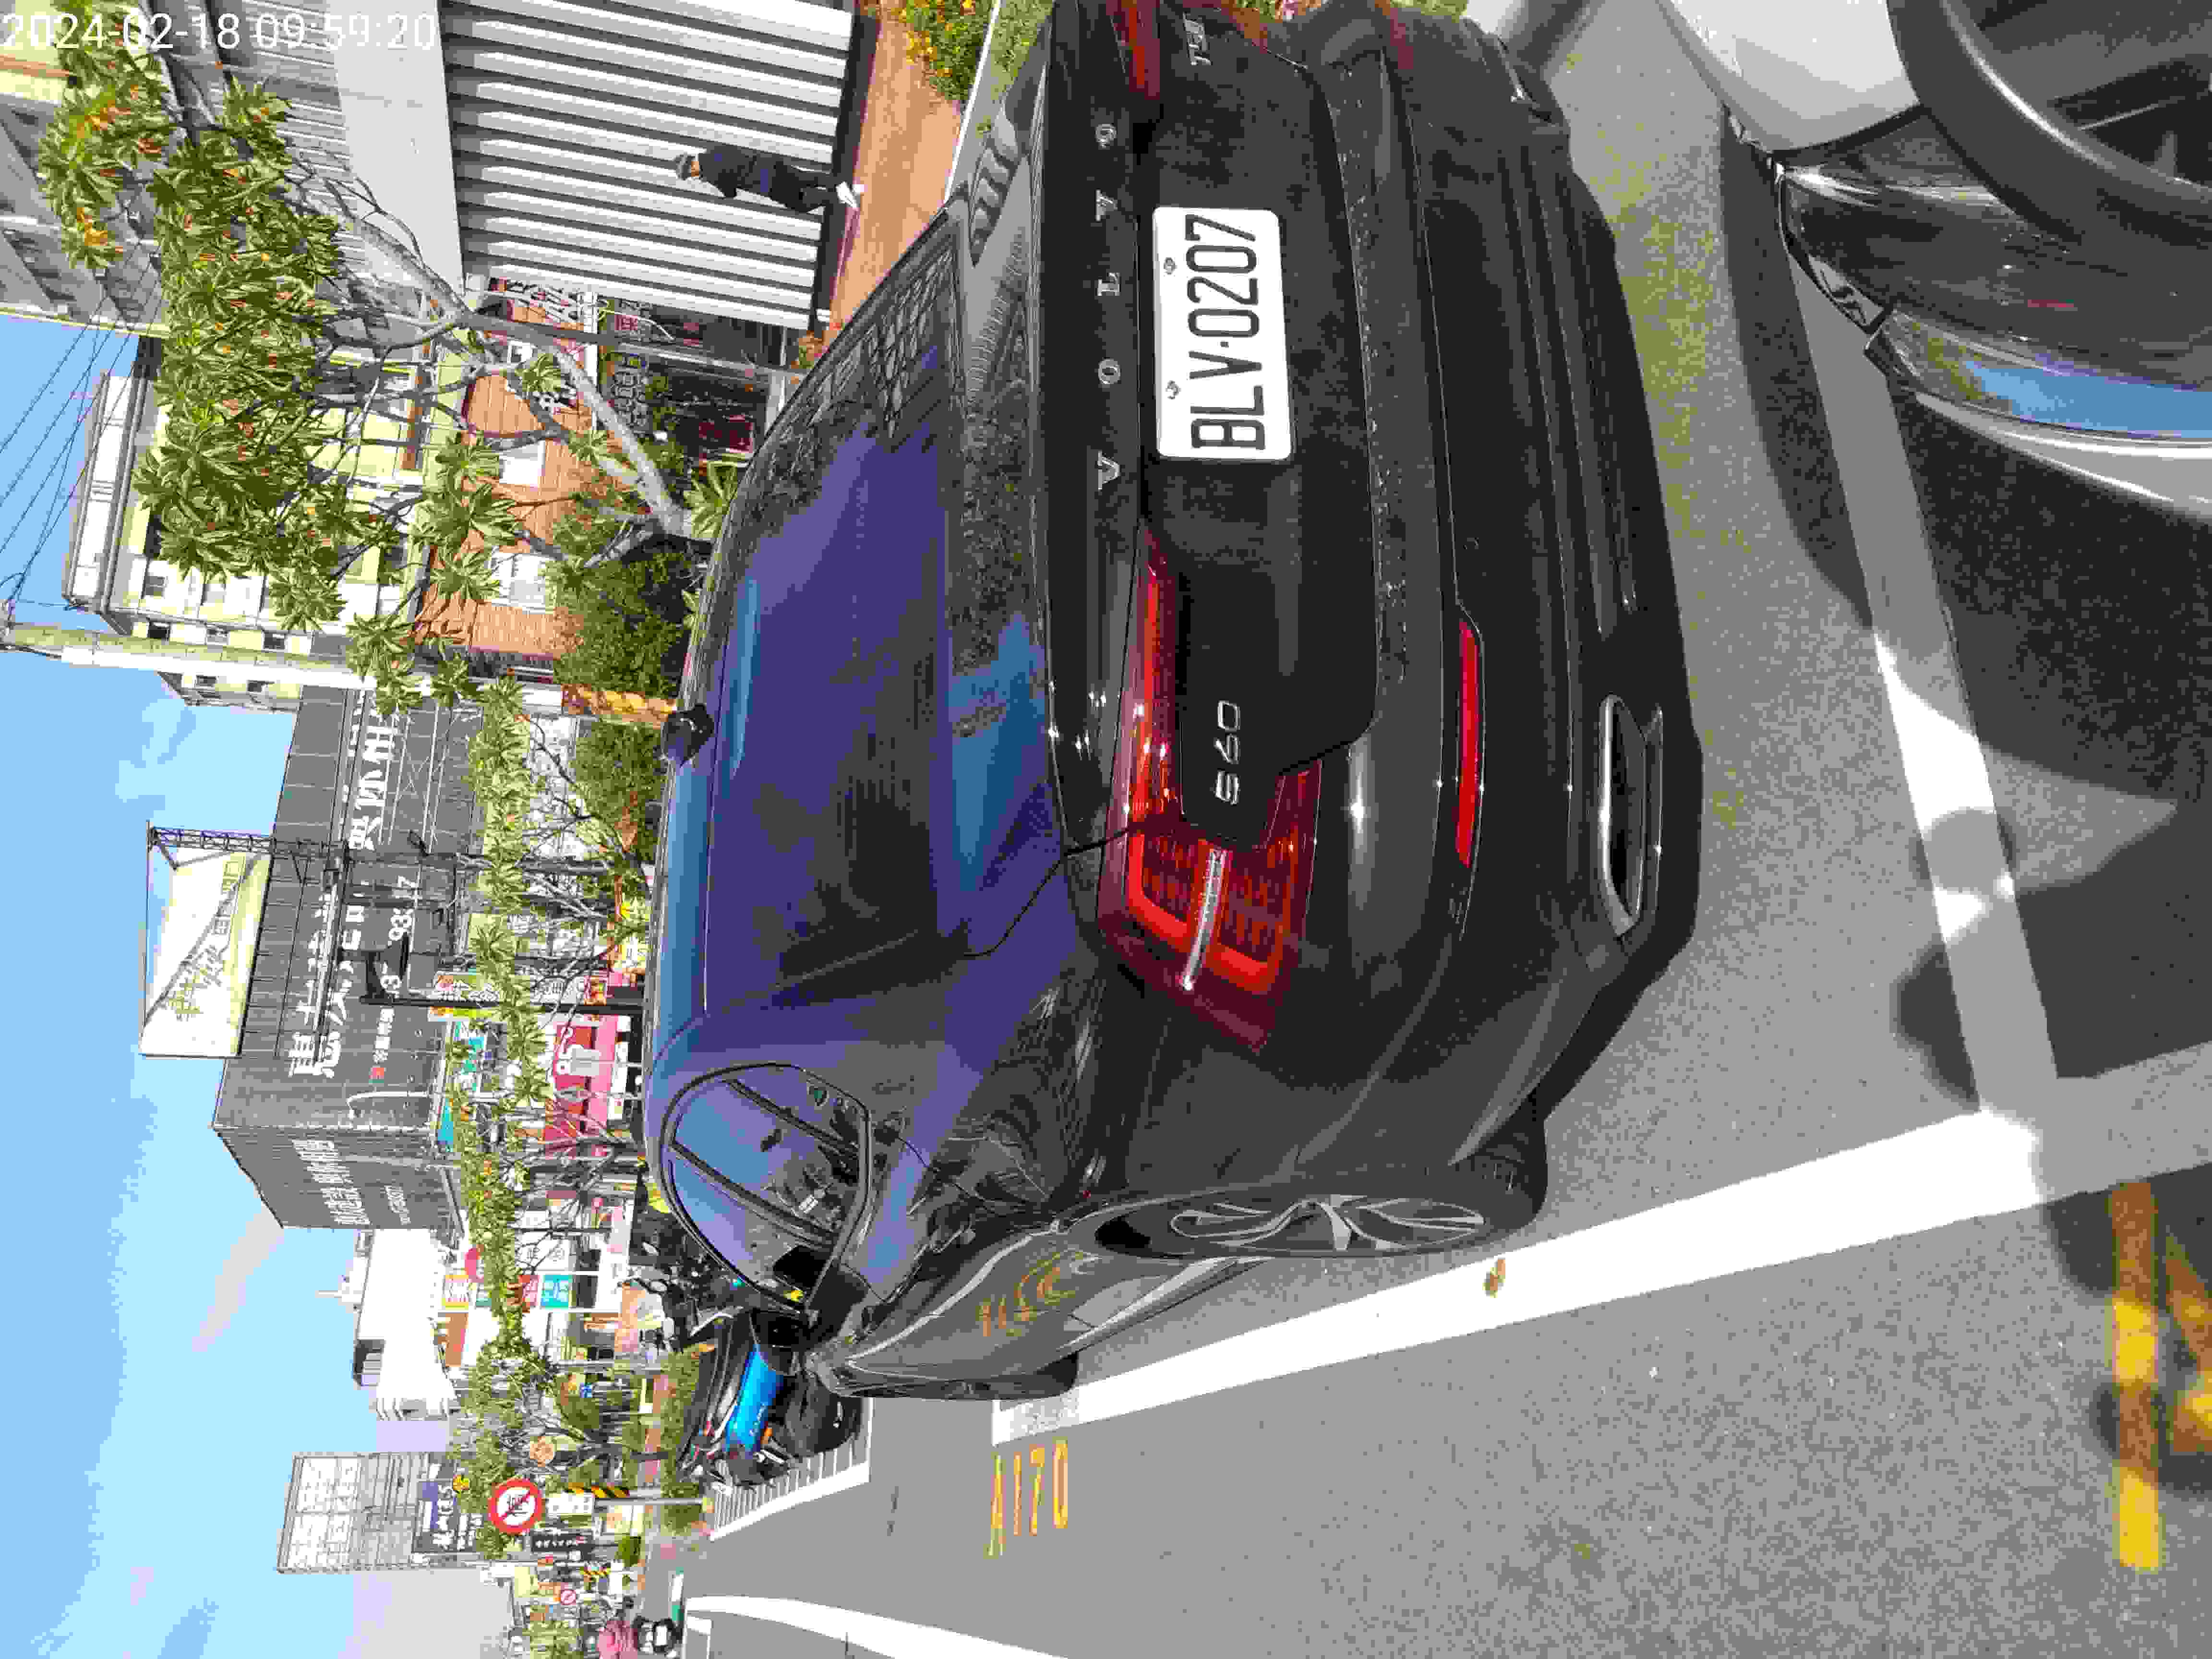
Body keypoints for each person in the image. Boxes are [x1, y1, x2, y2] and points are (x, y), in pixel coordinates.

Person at [675, 147, 864, 214]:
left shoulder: (710, 173)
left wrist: (713, 185)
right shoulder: (714, 151)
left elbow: (730, 193)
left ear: (691, 168)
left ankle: (840, 196)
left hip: (766, 183)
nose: (692, 177)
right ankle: (842, 185)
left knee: (800, 203)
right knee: (805, 178)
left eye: (689, 175)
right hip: (769, 164)